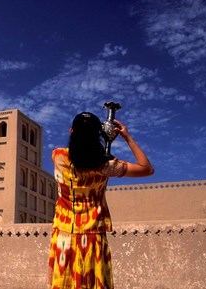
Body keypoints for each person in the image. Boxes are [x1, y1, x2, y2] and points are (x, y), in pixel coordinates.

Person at [48, 112, 154, 289]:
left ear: (71, 131)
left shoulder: (58, 156)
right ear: (98, 136)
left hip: (64, 236)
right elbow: (147, 169)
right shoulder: (107, 166)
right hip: (93, 239)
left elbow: (78, 154)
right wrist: (126, 137)